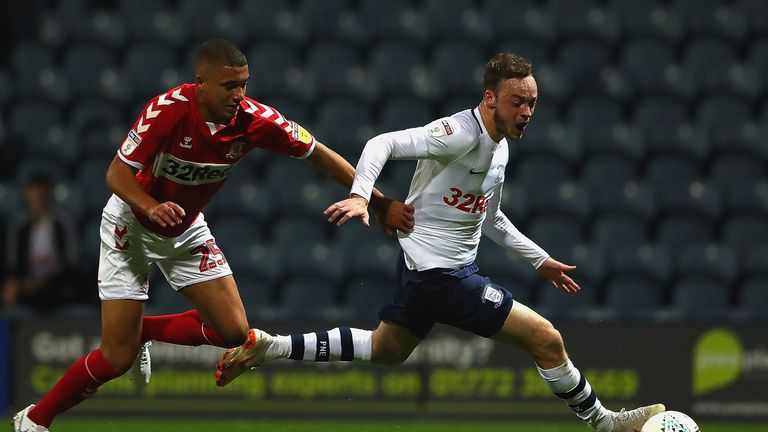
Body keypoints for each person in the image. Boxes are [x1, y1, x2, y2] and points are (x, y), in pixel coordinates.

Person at [214, 53, 665, 432]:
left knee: (386, 350)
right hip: (443, 277)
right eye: (517, 102)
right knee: (547, 339)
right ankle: (607, 424)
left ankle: (270, 346)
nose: (526, 111)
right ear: (490, 98)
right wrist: (360, 197)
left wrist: (539, 260)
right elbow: (381, 143)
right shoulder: (460, 134)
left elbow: (490, 216)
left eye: (532, 103)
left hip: (423, 272)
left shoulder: (501, 145)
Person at [12, 39, 414, 432]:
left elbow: (320, 155)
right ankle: (34, 419)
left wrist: (376, 202)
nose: (239, 94)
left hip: (185, 228)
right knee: (115, 358)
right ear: (199, 83)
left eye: (244, 84)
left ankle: (145, 331)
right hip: (130, 226)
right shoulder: (167, 111)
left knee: (235, 333)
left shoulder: (255, 119)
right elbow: (116, 174)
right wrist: (150, 206)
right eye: (229, 86)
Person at [2, 173, 80, 313]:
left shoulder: (62, 224)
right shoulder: (19, 225)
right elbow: (12, 263)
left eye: (42, 194)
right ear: (27, 194)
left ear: (49, 194)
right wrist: (20, 282)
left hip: (56, 285)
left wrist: (42, 282)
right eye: (35, 194)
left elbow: (71, 262)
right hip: (26, 284)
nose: (39, 198)